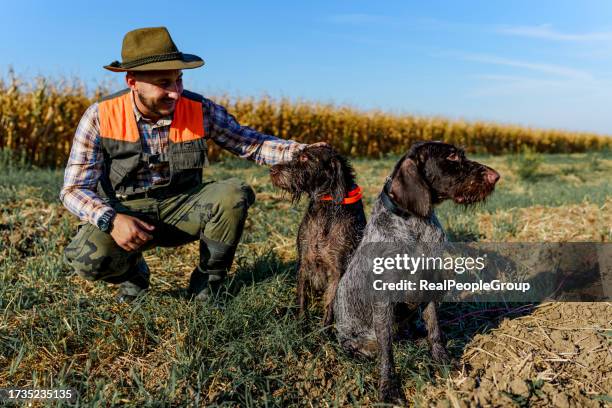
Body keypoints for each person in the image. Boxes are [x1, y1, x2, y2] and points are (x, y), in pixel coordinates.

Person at [61, 26, 320, 302]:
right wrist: (111, 220)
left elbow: (250, 142)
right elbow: (73, 189)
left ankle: (207, 285)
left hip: (182, 206)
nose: (176, 92)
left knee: (232, 195)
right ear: (132, 81)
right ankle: (132, 272)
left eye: (179, 80)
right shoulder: (100, 117)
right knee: (88, 259)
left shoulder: (199, 109)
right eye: (164, 83)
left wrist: (302, 152)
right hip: (126, 212)